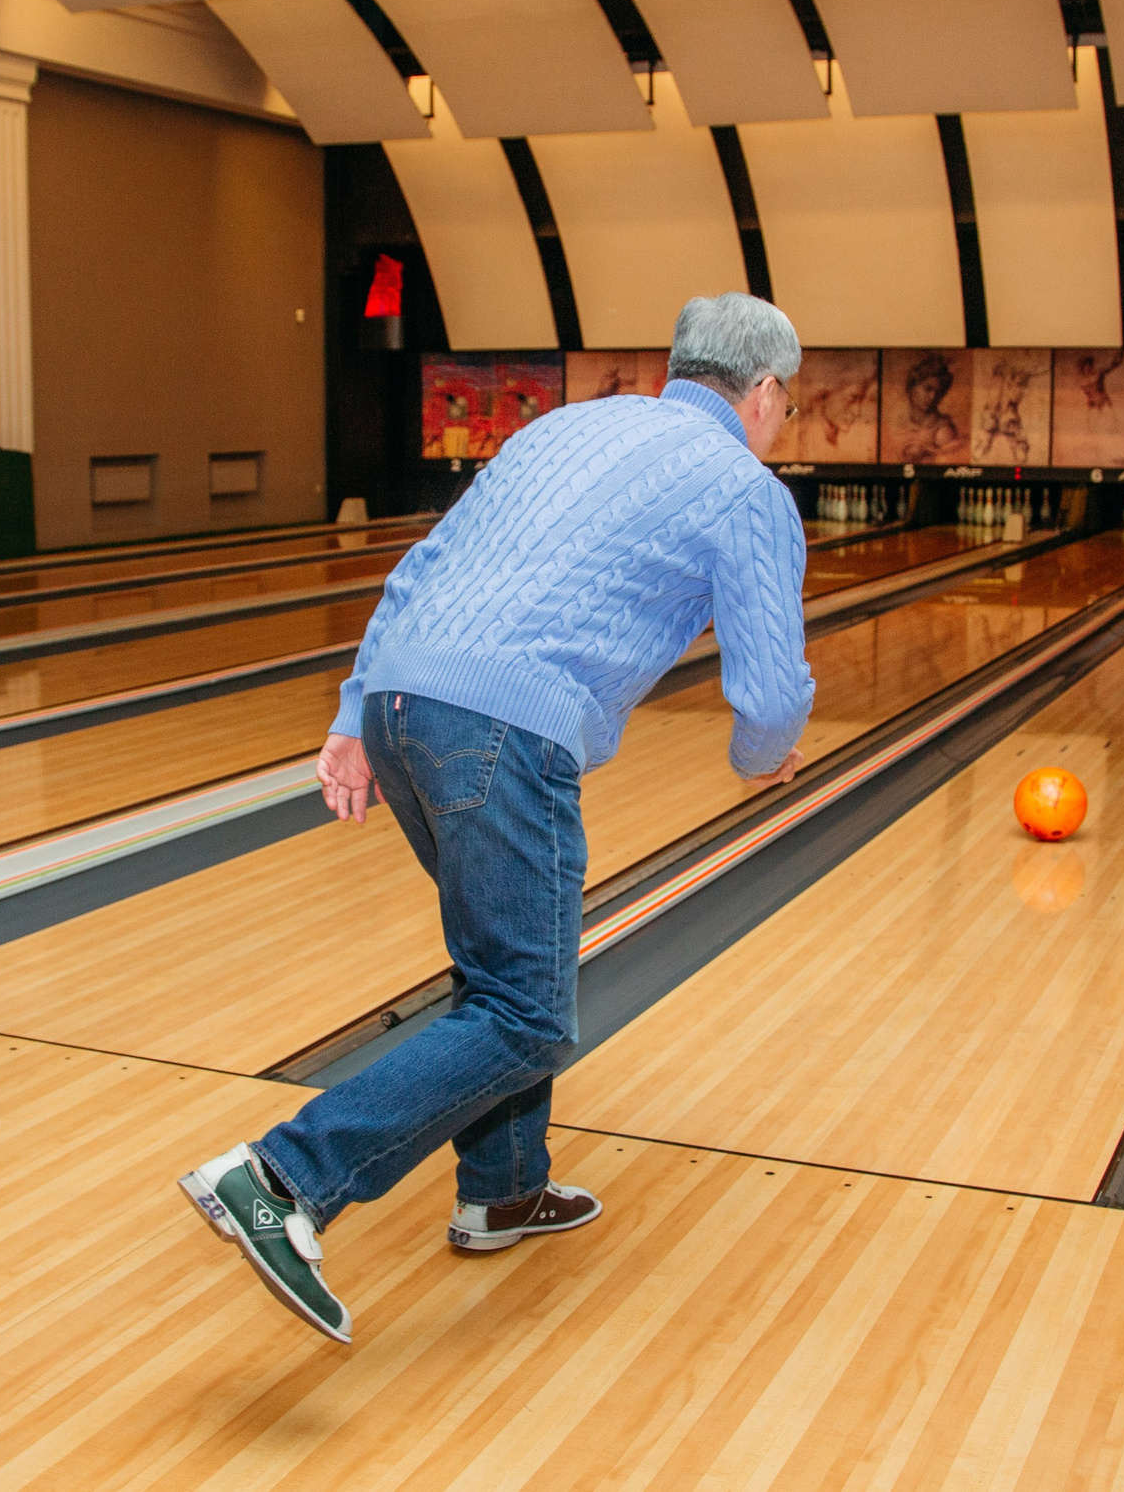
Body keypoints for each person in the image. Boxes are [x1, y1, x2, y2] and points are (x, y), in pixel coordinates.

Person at [179, 292, 815, 1342]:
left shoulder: (560, 428)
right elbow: (770, 689)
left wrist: (352, 713)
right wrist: (764, 759)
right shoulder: (746, 489)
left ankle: (504, 1190)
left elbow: (419, 570)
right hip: (502, 733)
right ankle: (283, 1178)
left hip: (400, 706)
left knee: (498, 968)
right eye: (787, 404)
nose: (783, 421)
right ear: (763, 392)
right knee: (527, 1012)